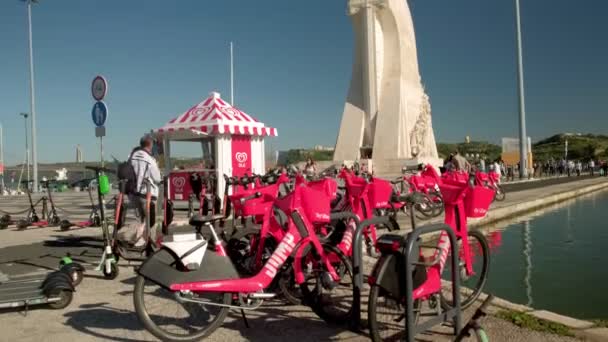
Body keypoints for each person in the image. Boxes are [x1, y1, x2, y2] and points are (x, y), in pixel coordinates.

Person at [130, 135, 162, 247]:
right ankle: (148, 243)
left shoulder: (132, 156)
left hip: (135, 193)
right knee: (150, 221)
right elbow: (157, 178)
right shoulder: (150, 159)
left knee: (142, 219)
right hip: (148, 193)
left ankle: (141, 239)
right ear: (150, 145)